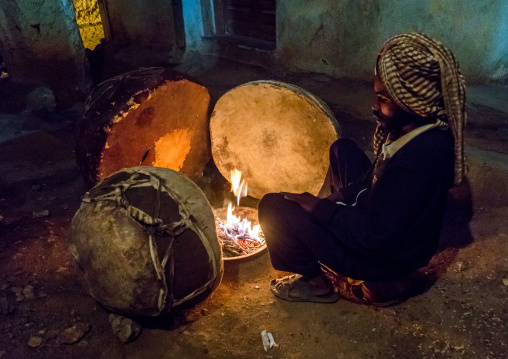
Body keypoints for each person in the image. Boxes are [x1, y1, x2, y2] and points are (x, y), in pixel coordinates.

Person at [258, 33, 466, 306]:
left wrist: (322, 211)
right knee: (342, 150)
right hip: (382, 222)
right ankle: (316, 229)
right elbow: (377, 182)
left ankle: (318, 284)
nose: (373, 106)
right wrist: (333, 201)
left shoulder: (418, 157)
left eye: (383, 99)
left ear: (414, 100)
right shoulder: (420, 129)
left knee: (273, 207)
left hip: (383, 260)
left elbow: (373, 237)